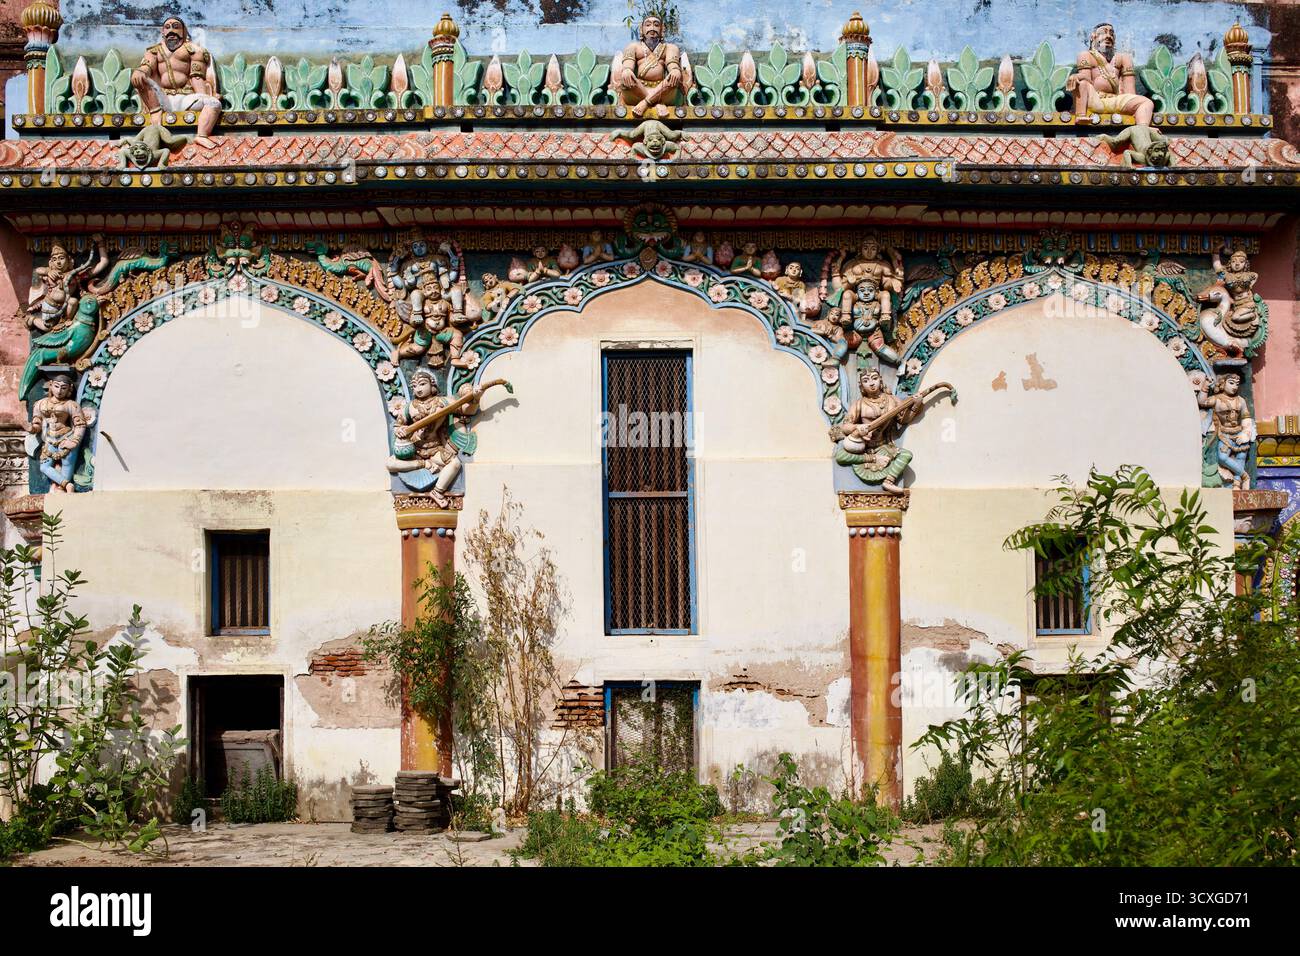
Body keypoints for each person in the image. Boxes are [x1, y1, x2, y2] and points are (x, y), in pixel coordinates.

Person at [131, 16, 221, 148]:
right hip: (161, 99)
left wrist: (205, 95)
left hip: (186, 97)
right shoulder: (154, 52)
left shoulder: (194, 50)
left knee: (213, 103)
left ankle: (201, 135)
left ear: (183, 31)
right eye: (167, 27)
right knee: (140, 77)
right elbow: (146, 67)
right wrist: (140, 72)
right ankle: (155, 114)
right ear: (163, 33)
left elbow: (196, 77)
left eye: (175, 27)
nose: (171, 30)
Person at [830, 368, 919, 494]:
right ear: (862, 386)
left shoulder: (892, 400)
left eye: (875, 378)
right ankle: (871, 458)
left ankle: (889, 482)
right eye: (866, 381)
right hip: (864, 448)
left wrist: (916, 405)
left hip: (884, 445)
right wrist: (857, 427)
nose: (871, 383)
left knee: (906, 455)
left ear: (880, 381)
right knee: (840, 456)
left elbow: (903, 420)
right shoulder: (860, 404)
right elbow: (845, 426)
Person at [1067, 22, 1154, 126]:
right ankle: (1081, 116)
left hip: (1115, 100)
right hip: (1095, 100)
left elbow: (1130, 91)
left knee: (1147, 102)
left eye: (1111, 34)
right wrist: (1076, 76)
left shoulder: (1123, 58)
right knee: (1081, 82)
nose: (1108, 36)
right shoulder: (1086, 55)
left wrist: (1133, 105)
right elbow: (1086, 79)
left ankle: (1142, 129)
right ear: (1093, 37)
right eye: (1103, 33)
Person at [614, 15, 684, 118]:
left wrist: (675, 71)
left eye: (656, 25)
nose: (652, 28)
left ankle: (645, 103)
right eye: (648, 25)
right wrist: (627, 71)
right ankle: (656, 103)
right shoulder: (633, 47)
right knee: (627, 77)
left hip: (663, 90)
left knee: (674, 77)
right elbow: (627, 67)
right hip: (637, 90)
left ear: (662, 30)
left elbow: (673, 66)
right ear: (641, 29)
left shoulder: (670, 48)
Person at [26, 373, 86, 493]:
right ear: (51, 386)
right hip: (49, 440)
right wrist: (31, 428)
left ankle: (64, 489)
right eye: (57, 386)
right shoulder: (40, 404)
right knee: (44, 467)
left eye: (64, 388)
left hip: (66, 438)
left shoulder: (71, 405)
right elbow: (37, 423)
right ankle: (67, 485)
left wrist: (74, 442)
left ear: (69, 389)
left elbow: (80, 424)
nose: (59, 391)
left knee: (67, 465)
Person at [1199, 372, 1254, 489]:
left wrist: (1245, 433)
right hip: (1224, 434)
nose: (1234, 387)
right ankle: (1244, 475)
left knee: (1241, 457)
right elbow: (1202, 402)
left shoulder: (1241, 400)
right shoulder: (1217, 399)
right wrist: (1205, 386)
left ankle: (1236, 484)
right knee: (1222, 458)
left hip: (1239, 432)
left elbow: (1246, 417)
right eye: (1231, 383)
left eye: (1237, 384)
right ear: (1223, 384)